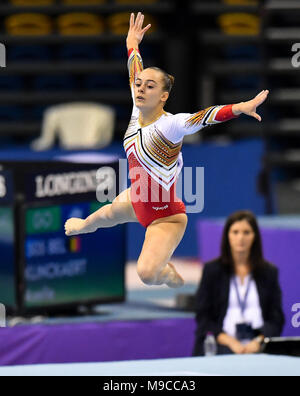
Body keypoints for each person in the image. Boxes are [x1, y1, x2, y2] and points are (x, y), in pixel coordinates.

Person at [64, 13, 269, 289]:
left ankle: (166, 272)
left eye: (150, 86)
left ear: (163, 96)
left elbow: (204, 116)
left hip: (166, 215)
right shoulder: (137, 111)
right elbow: (134, 72)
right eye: (139, 86)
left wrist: (239, 108)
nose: (140, 88)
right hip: (138, 198)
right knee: (102, 217)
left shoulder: (170, 125)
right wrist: (132, 44)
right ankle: (84, 225)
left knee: (147, 273)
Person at [193, 210, 285, 356]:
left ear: (255, 236)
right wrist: (230, 341)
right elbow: (203, 316)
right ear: (227, 235)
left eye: (246, 232)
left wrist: (259, 341)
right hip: (222, 345)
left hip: (258, 346)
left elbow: (277, 318)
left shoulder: (269, 272)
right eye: (235, 232)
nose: (240, 238)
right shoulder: (212, 271)